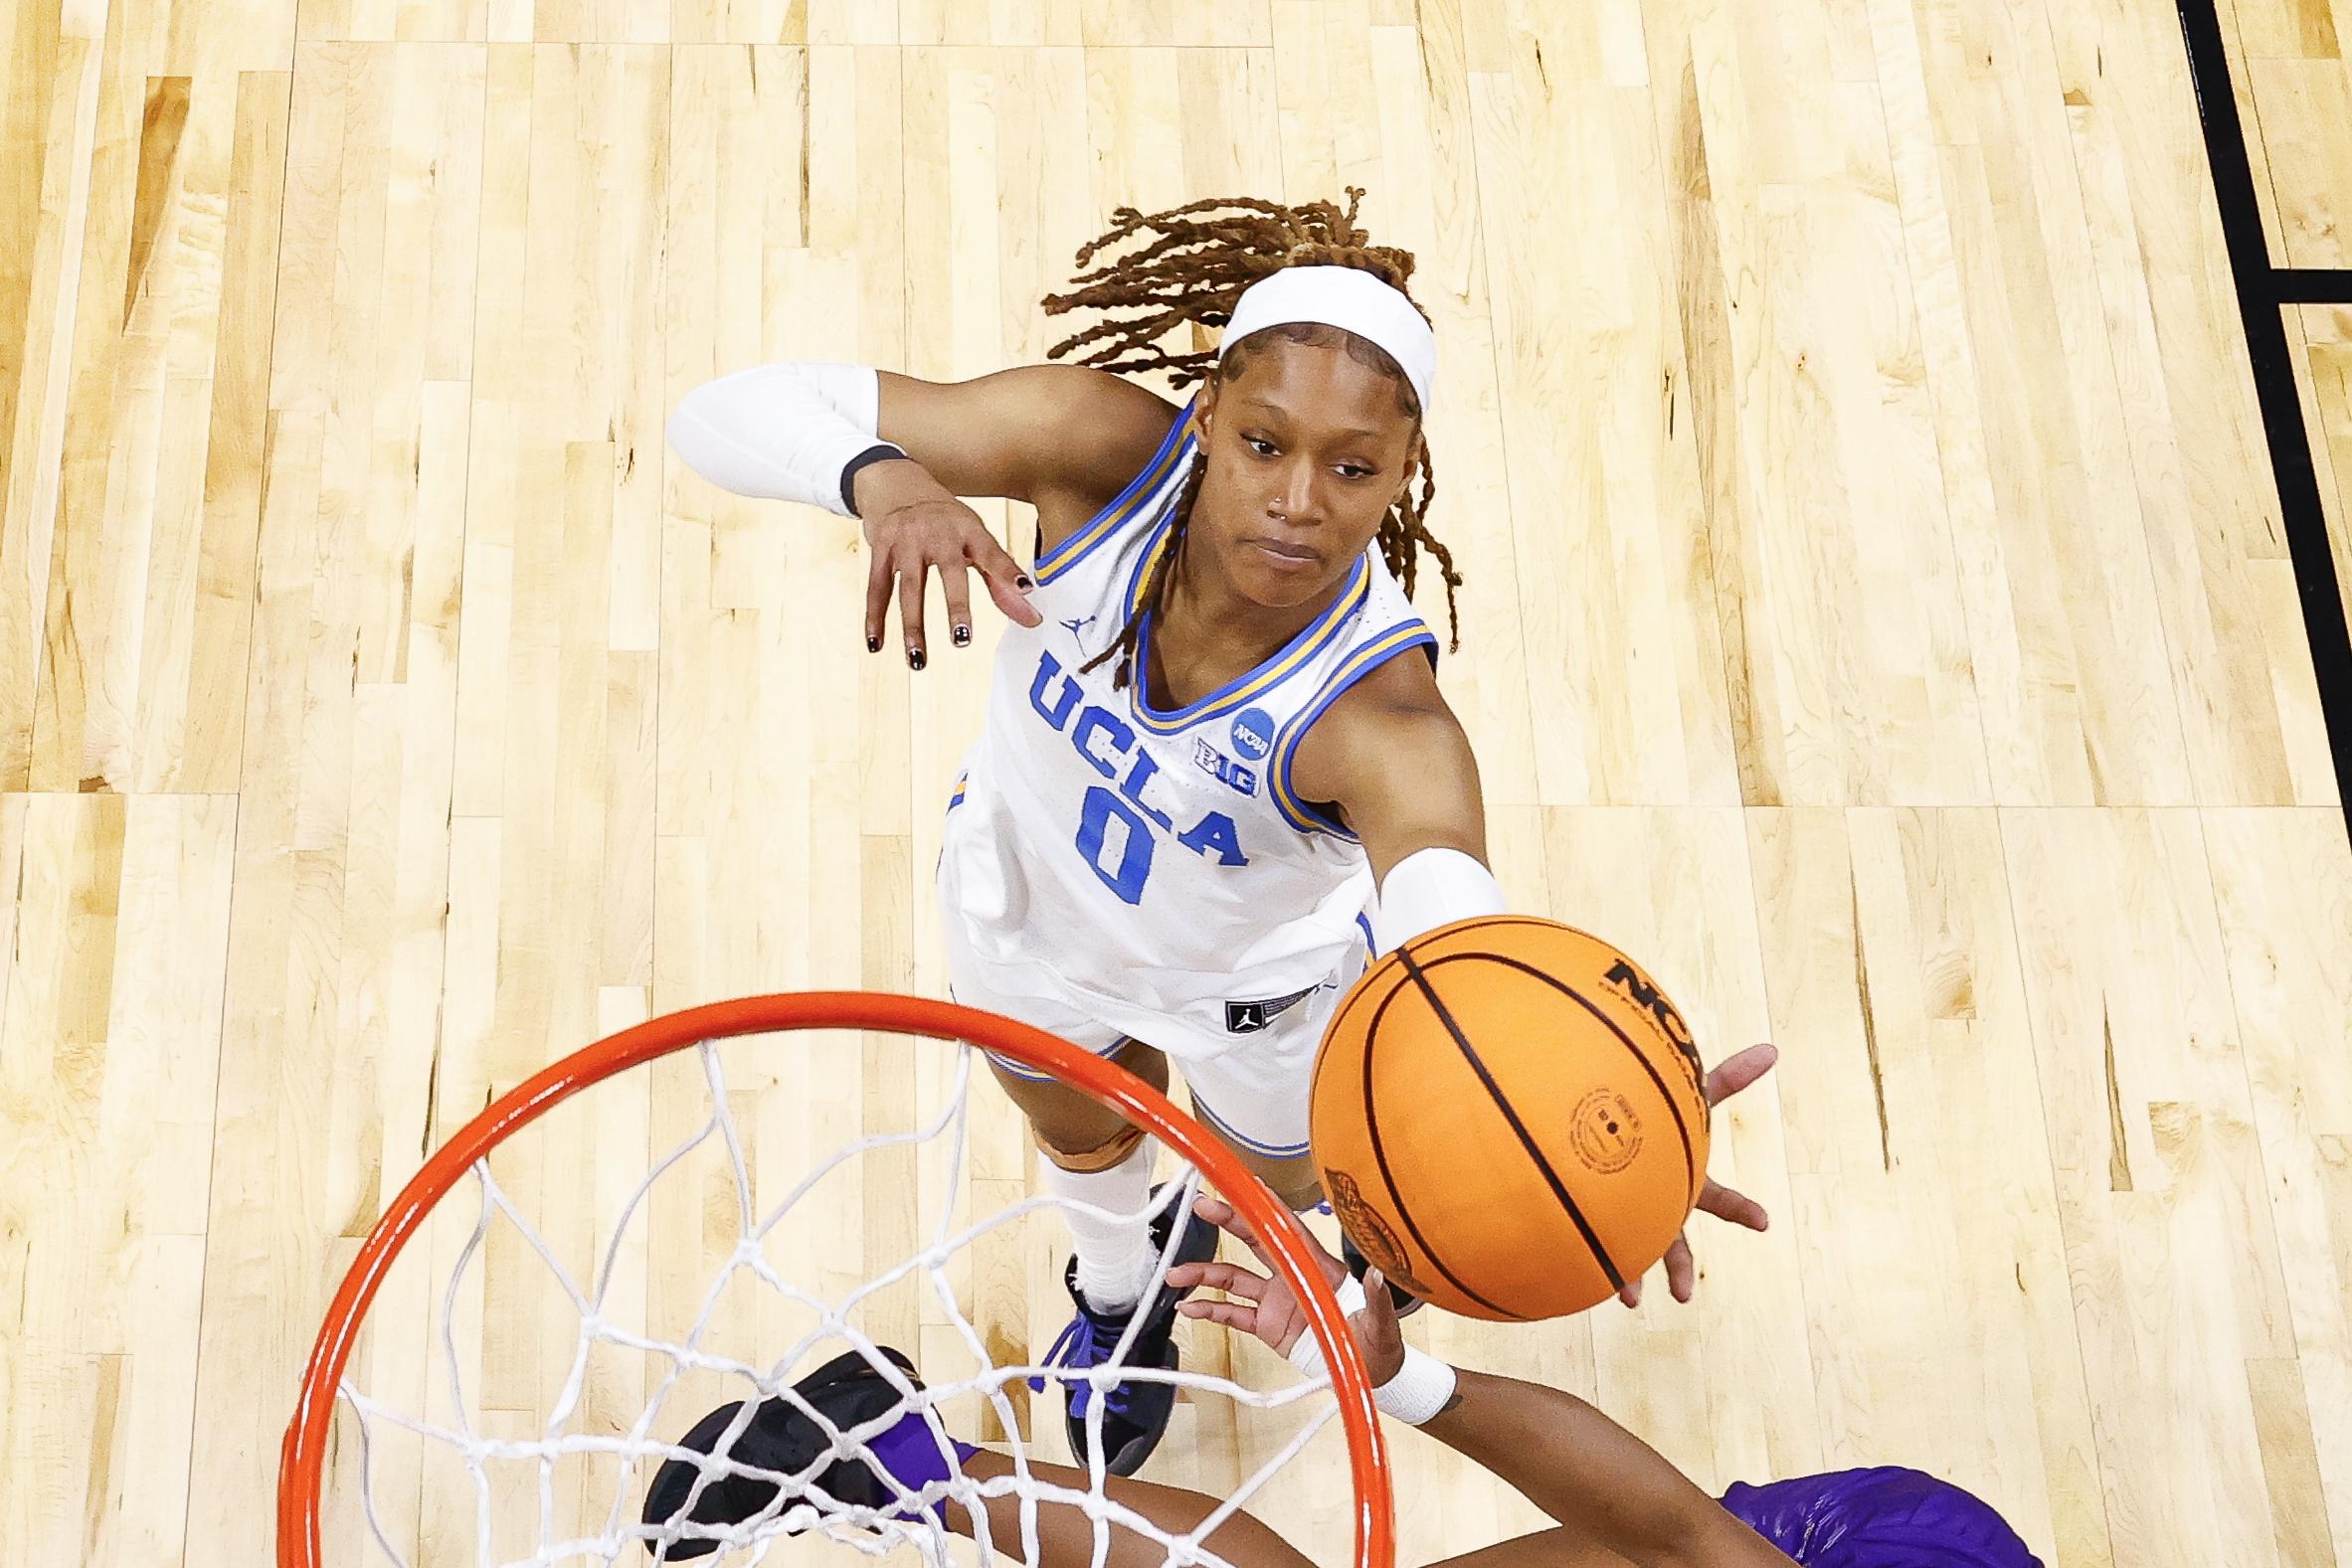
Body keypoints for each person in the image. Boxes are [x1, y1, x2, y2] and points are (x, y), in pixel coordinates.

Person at [664, 189, 1770, 1477]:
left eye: (1351, 468)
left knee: (1294, 1190)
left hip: (1259, 998)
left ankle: (1305, 1233)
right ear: (1207, 423)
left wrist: (1593, 1093)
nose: (1298, 499)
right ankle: (1122, 1292)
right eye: (1262, 444)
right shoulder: (1091, 452)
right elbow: (717, 413)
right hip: (1026, 910)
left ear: (1399, 478)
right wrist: (885, 479)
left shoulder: (1381, 714)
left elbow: (1449, 922)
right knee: (1082, 1136)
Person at [638, 1195, 2047, 1568]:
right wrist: (1394, 1377)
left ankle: (886, 1457)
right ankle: (891, 1463)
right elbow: (1673, 1532)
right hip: (1855, 1551)